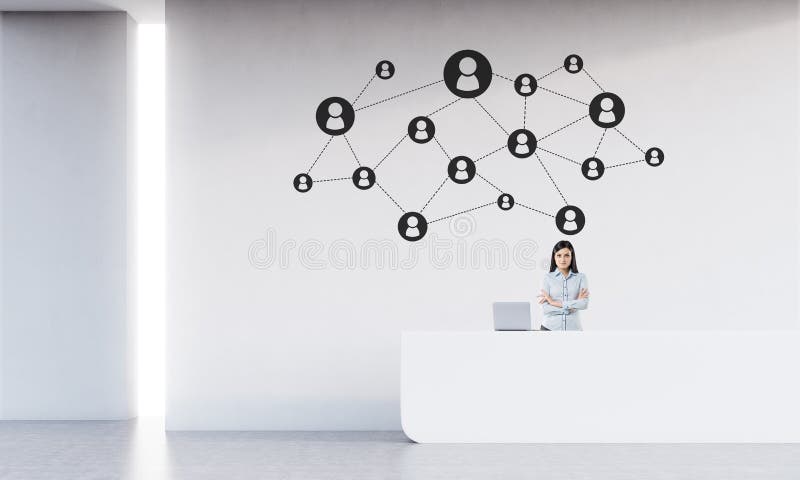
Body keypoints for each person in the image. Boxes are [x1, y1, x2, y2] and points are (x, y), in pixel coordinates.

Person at [537, 240, 589, 331]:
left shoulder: (581, 278)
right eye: (559, 255)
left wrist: (554, 303)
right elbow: (545, 308)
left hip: (574, 329)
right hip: (549, 328)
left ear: (572, 257)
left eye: (567, 255)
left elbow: (584, 304)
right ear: (554, 257)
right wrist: (571, 307)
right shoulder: (547, 278)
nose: (563, 259)